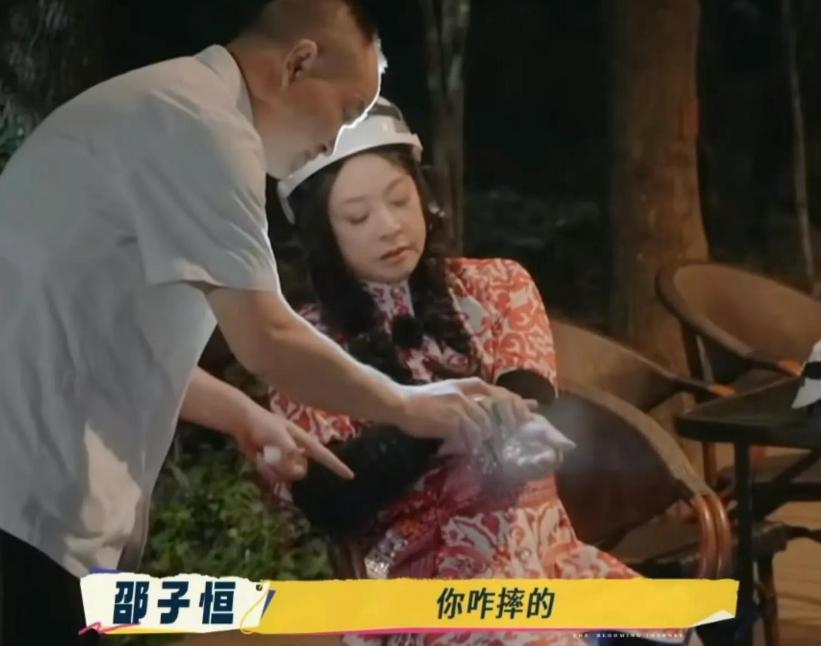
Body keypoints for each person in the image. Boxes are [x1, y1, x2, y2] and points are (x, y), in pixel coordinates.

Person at [0, 2, 526, 644]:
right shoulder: (203, 129)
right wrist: (409, 405)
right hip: (24, 500)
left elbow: (95, 341)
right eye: (346, 110)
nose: (335, 140)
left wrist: (243, 416)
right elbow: (267, 337)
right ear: (297, 64)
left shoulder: (159, 109)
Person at [270, 97, 693, 646]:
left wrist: (514, 423)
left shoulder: (496, 285)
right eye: (357, 217)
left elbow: (527, 389)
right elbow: (325, 495)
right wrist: (429, 430)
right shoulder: (301, 342)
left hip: (550, 561)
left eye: (400, 200)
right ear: (324, 234)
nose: (390, 227)